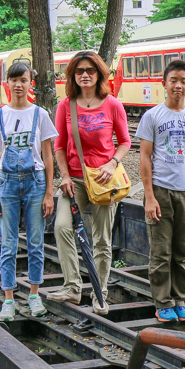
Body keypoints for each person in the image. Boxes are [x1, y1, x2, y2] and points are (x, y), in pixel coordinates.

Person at [48, 51, 131, 315]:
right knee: (61, 226)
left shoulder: (112, 105)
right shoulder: (65, 106)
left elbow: (125, 142)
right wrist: (63, 176)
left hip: (104, 180)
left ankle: (99, 293)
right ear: (73, 75)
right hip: (74, 179)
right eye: (79, 71)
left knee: (102, 240)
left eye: (91, 70)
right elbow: (59, 146)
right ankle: (73, 287)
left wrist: (112, 163)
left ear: (99, 74)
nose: (85, 75)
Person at [136, 59, 185, 323]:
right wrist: (150, 197)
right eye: (173, 81)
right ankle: (162, 302)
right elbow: (144, 157)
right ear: (164, 84)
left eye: (183, 81)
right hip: (161, 190)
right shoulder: (152, 116)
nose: (178, 86)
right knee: (161, 251)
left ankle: (180, 300)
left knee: (181, 251)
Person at [0, 60, 57, 321]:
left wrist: (49, 193)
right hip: (7, 184)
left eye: (23, 80)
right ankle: (8, 300)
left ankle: (34, 295)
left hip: (35, 182)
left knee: (36, 242)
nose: (18, 85)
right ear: (7, 83)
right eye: (14, 80)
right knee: (8, 243)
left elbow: (48, 157)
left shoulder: (41, 114)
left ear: (30, 84)